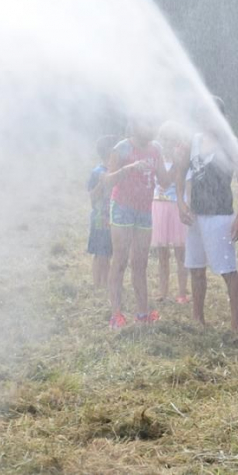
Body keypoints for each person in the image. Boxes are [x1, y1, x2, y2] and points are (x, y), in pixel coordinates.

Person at [175, 97, 238, 333]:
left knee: (228, 271)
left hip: (220, 216)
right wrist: (181, 203)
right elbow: (180, 173)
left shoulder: (230, 144)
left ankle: (236, 325)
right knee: (196, 269)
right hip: (195, 216)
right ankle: (198, 318)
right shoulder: (193, 142)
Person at [105, 117, 171, 329]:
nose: (152, 128)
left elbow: (164, 182)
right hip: (122, 207)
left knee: (140, 263)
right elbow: (107, 180)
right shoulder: (122, 148)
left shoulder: (156, 149)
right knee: (120, 260)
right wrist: (130, 168)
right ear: (136, 126)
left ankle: (142, 313)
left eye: (153, 124)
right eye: (147, 124)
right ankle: (116, 314)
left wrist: (178, 163)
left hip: (144, 210)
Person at [151, 122, 188, 304]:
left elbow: (169, 181)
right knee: (162, 254)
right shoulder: (155, 157)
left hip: (176, 205)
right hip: (158, 205)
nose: (167, 142)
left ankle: (182, 293)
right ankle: (163, 291)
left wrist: (177, 161)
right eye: (164, 138)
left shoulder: (181, 159)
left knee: (180, 253)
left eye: (171, 139)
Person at [87, 135, 117, 289]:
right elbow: (92, 196)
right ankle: (99, 284)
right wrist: (101, 182)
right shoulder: (97, 172)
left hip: (115, 218)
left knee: (109, 253)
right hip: (100, 218)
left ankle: (106, 283)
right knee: (100, 253)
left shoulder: (118, 171)